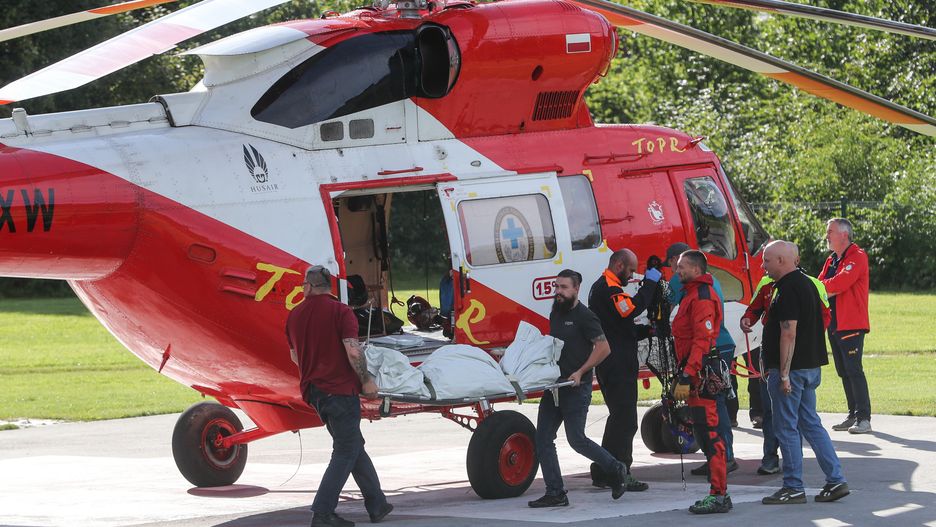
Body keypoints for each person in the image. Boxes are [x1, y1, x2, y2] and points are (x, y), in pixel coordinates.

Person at [286, 265, 393, 527]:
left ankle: (377, 503)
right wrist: (366, 380)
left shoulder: (294, 316)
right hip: (341, 391)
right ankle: (322, 513)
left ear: (309, 287)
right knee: (346, 449)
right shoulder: (341, 312)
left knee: (354, 445)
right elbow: (353, 351)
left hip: (316, 392)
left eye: (303, 285)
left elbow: (295, 356)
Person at [760, 241, 849, 505]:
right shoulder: (808, 284)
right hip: (809, 368)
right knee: (810, 423)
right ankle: (836, 480)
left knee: (786, 428)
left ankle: (793, 487)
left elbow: (789, 331)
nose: (763, 265)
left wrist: (784, 374)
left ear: (781, 261)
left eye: (766, 260)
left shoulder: (788, 289)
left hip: (793, 372)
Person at [528, 269, 627, 508]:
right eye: (556, 287)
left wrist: (581, 372)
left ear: (576, 289)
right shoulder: (556, 313)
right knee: (542, 439)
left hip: (576, 388)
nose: (558, 292)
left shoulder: (585, 316)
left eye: (563, 287)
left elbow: (603, 348)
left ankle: (616, 468)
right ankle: (556, 492)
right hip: (554, 387)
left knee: (577, 440)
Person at [586, 249, 660, 491]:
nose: (631, 275)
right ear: (618, 265)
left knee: (618, 418)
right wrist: (649, 283)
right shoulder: (608, 288)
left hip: (612, 360)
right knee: (626, 420)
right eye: (629, 270)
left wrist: (644, 331)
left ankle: (603, 470)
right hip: (616, 364)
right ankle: (620, 472)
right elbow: (629, 310)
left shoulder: (601, 287)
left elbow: (618, 326)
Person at [664, 243, 738, 476]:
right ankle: (715, 459)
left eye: (681, 267)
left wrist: (688, 373)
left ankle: (723, 460)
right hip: (698, 361)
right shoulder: (693, 290)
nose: (677, 271)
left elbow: (702, 340)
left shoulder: (701, 294)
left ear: (696, 269)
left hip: (705, 361)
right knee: (701, 415)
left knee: (712, 412)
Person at [820, 218, 872, 434]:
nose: (827, 235)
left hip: (851, 323)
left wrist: (823, 288)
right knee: (843, 371)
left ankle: (864, 418)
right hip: (834, 323)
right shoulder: (832, 259)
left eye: (830, 231)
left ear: (844, 234)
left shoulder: (857, 256)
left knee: (854, 369)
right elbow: (819, 283)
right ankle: (852, 414)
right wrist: (823, 288)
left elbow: (840, 284)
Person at [740, 275, 782, 475]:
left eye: (768, 261)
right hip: (770, 357)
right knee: (769, 411)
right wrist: (747, 318)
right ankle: (771, 458)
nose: (763, 267)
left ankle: (793, 461)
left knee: (797, 414)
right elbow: (754, 307)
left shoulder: (809, 283)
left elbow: (823, 318)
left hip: (798, 360)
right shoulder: (765, 283)